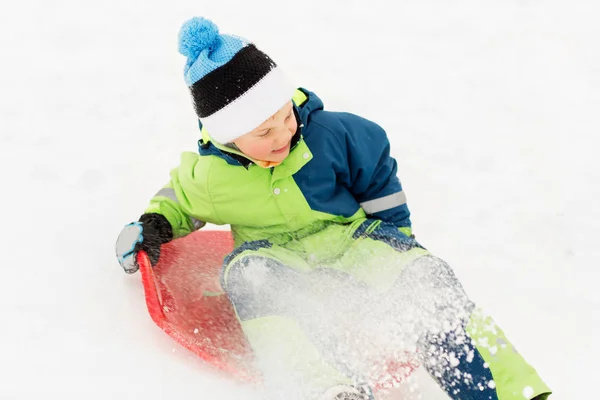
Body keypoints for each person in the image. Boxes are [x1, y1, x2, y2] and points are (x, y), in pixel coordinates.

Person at [116, 17, 551, 400]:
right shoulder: (211, 175)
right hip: (272, 256)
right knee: (247, 276)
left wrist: (396, 238)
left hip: (352, 241)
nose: (282, 133)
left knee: (425, 278)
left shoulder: (330, 135)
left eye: (285, 116)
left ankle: (506, 390)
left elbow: (378, 176)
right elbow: (180, 200)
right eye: (264, 131)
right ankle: (326, 388)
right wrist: (152, 227)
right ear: (228, 136)